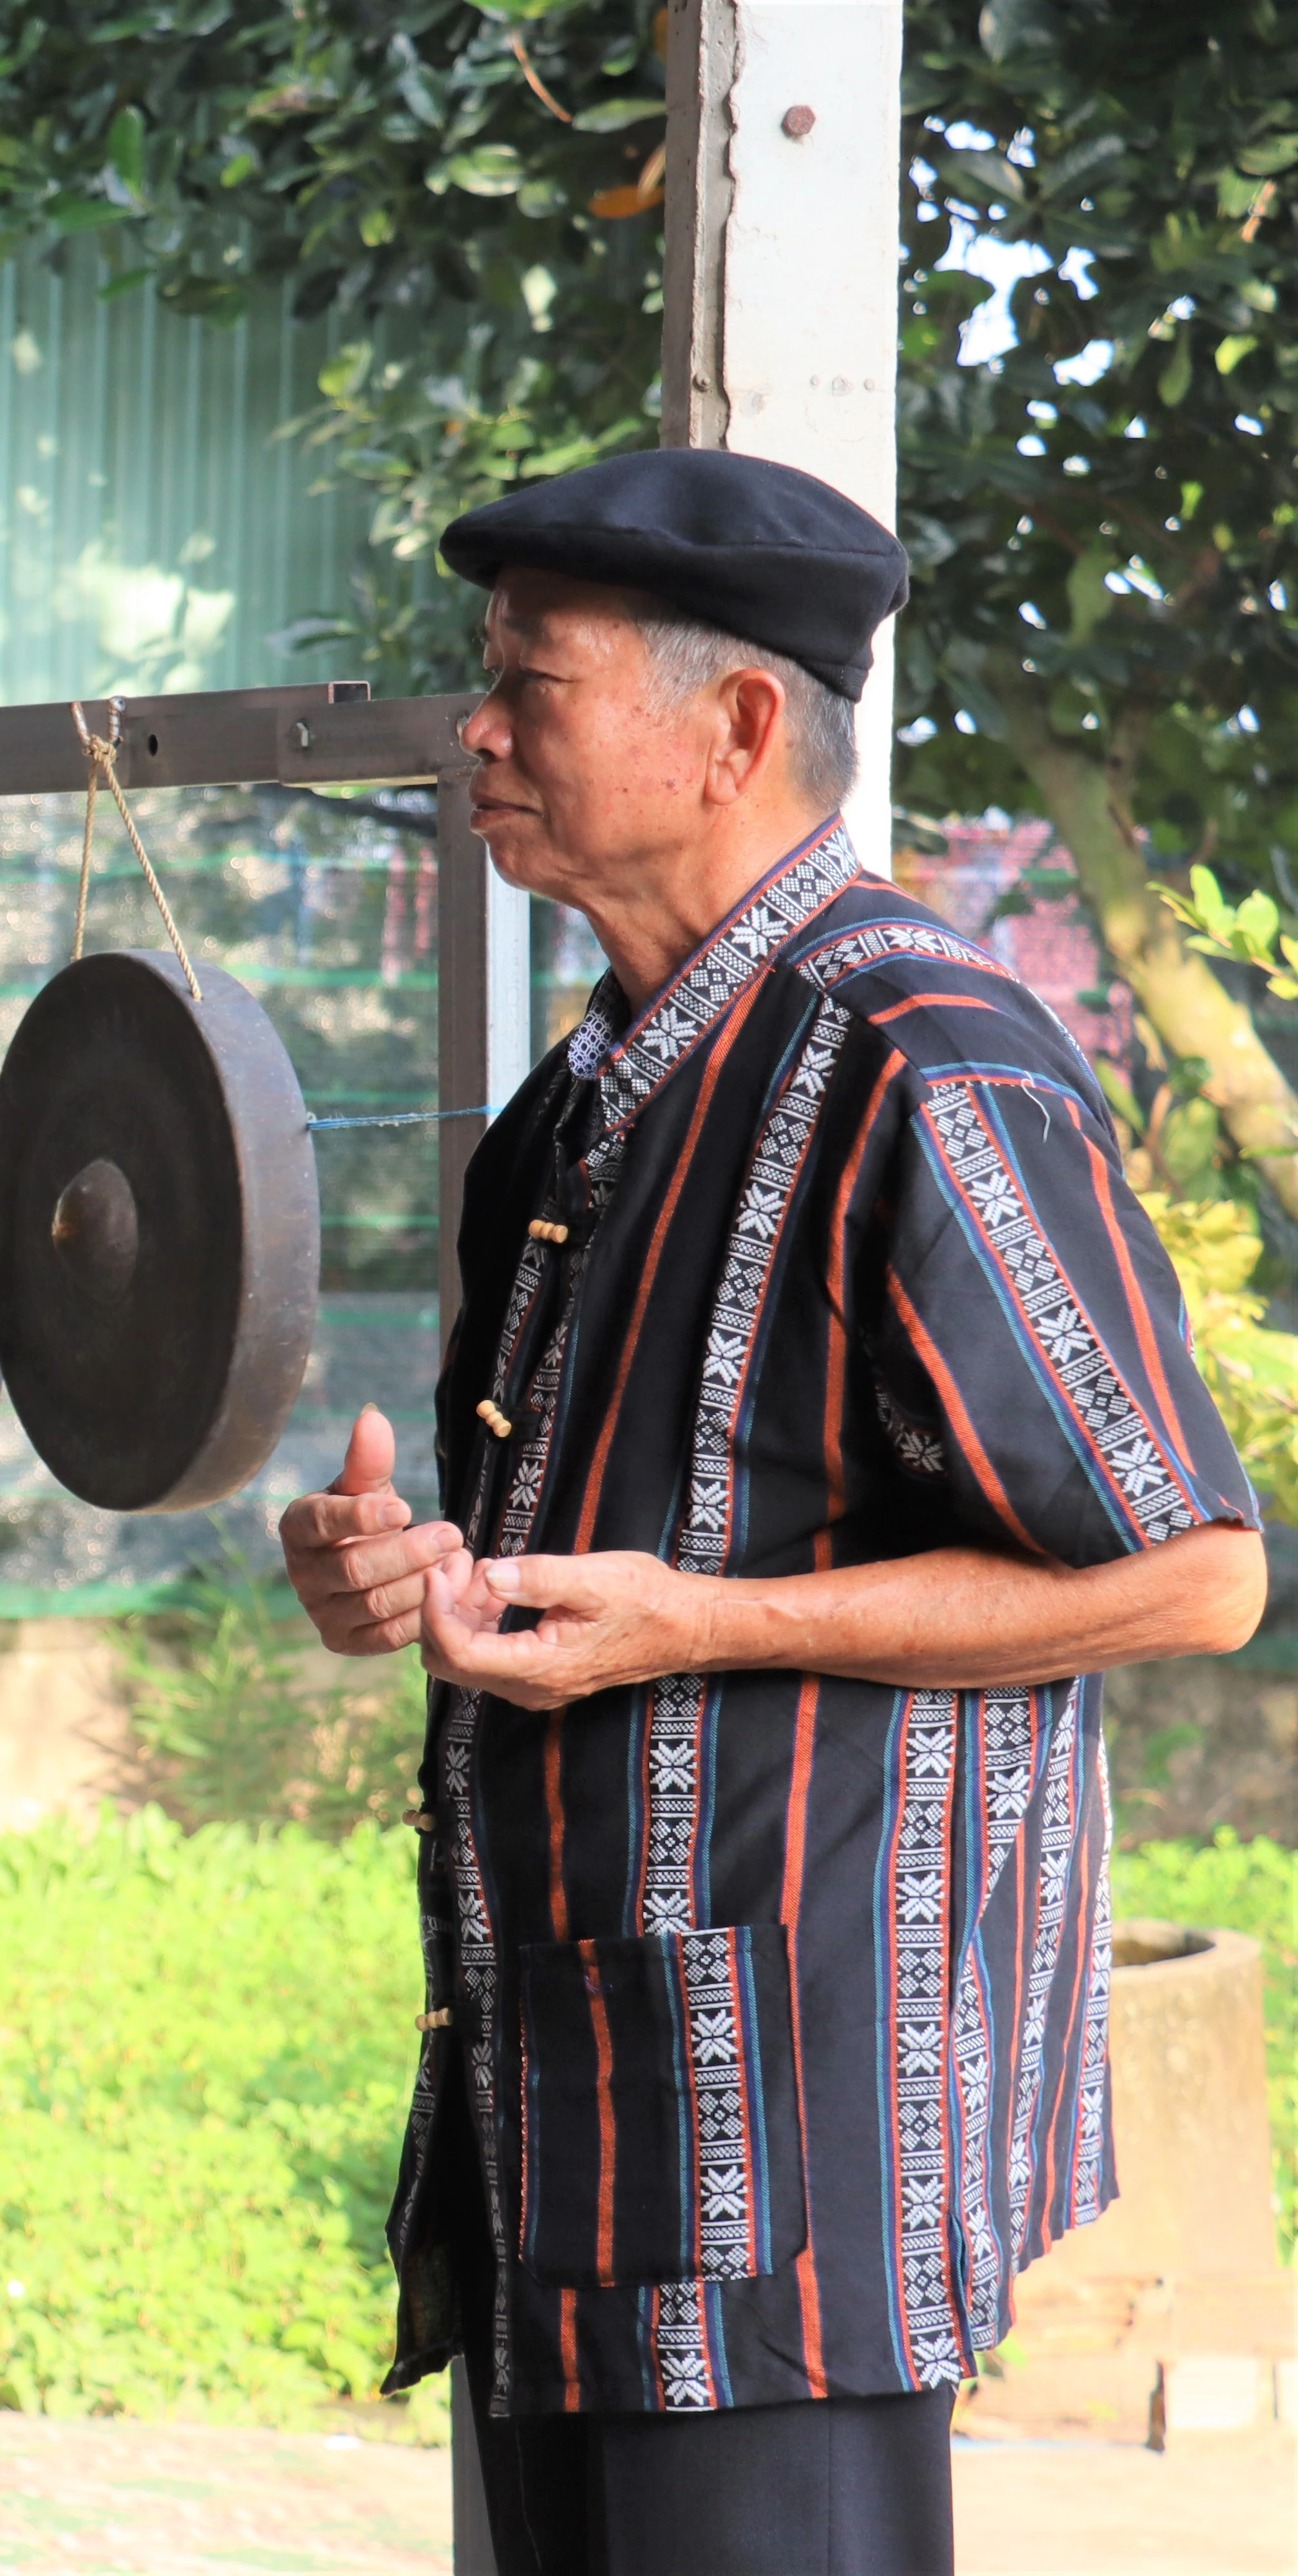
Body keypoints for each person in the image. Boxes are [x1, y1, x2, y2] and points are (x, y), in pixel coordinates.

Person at [278, 448, 1265, 2576]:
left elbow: (1195, 1576)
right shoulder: (577, 1103)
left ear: (734, 730)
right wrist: (414, 1576)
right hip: (563, 2114)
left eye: (529, 683)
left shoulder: (930, 1061)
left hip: (785, 2175)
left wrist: (704, 1626)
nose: (474, 725)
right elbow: (593, 1555)